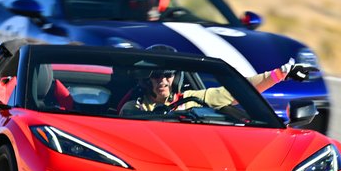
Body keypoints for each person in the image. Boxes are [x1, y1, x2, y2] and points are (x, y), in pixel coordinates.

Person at [119, 58, 314, 115]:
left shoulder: (192, 98)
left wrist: (281, 73)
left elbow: (238, 91)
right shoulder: (134, 107)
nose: (162, 81)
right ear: (147, 80)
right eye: (156, 76)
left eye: (168, 75)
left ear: (175, 78)